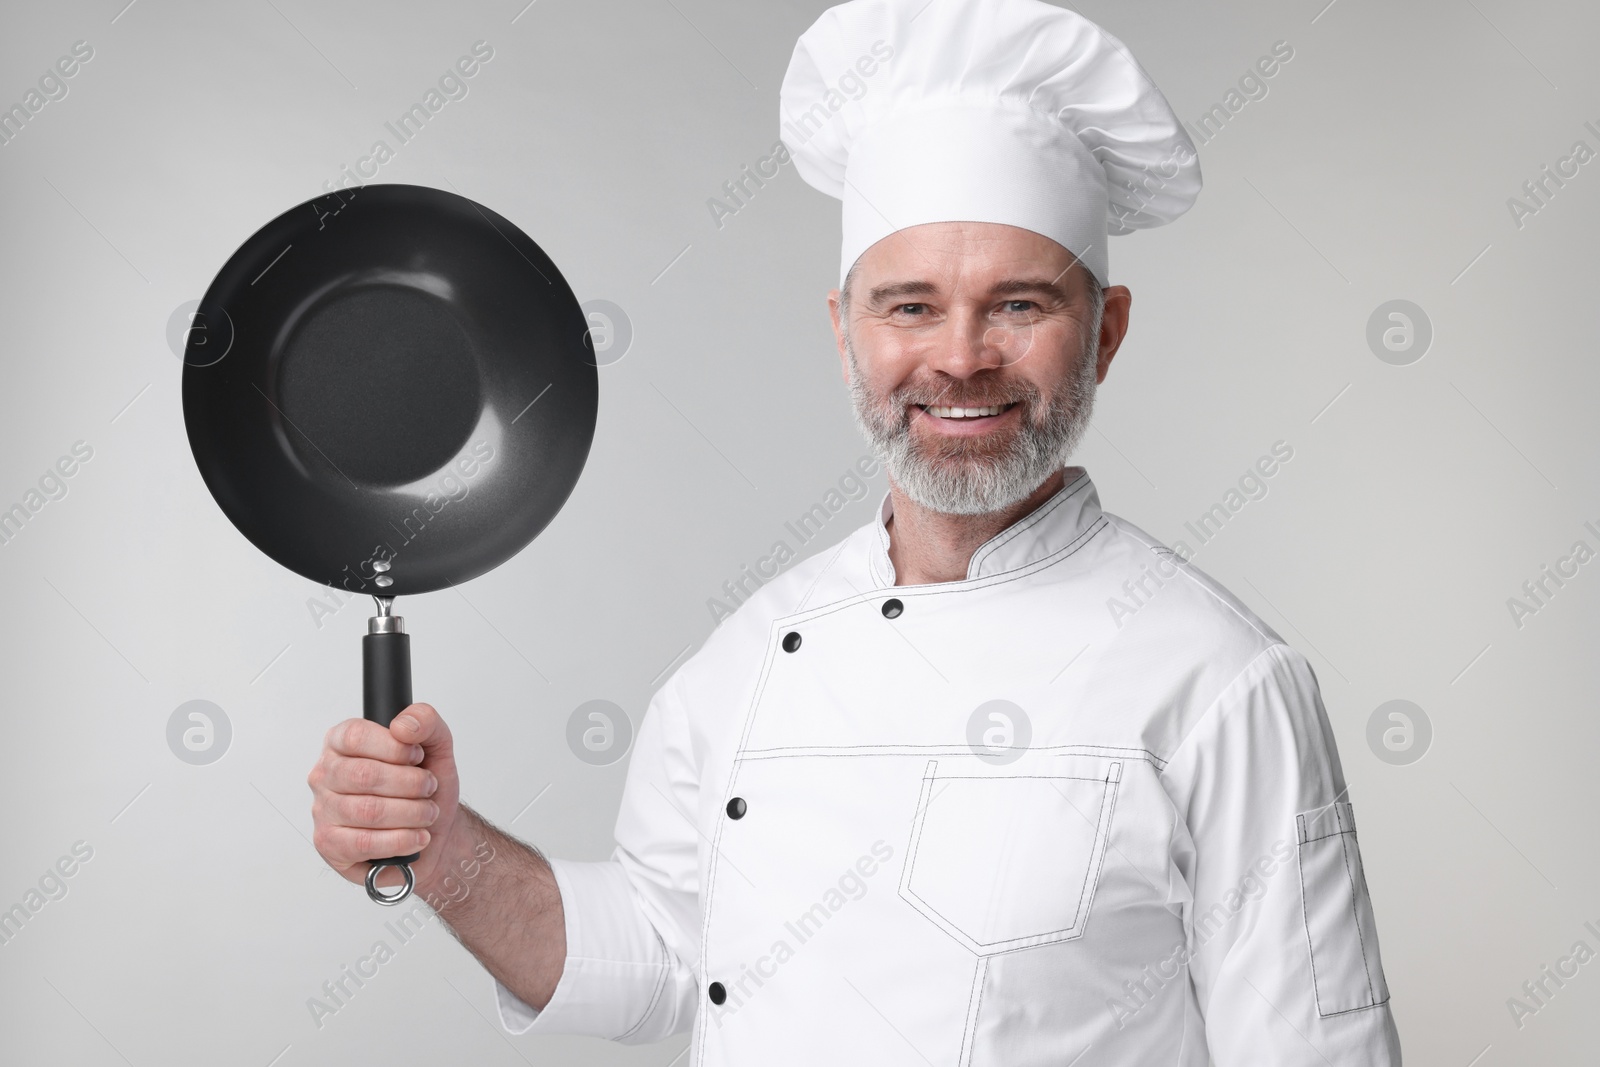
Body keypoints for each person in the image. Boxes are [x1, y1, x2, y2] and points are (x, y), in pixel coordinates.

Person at [308, 0, 1402, 1062]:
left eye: (1020, 305)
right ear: (844, 332)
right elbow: (657, 951)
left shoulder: (1222, 683)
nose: (961, 357)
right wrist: (446, 853)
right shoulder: (750, 652)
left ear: (1104, 332)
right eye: (909, 305)